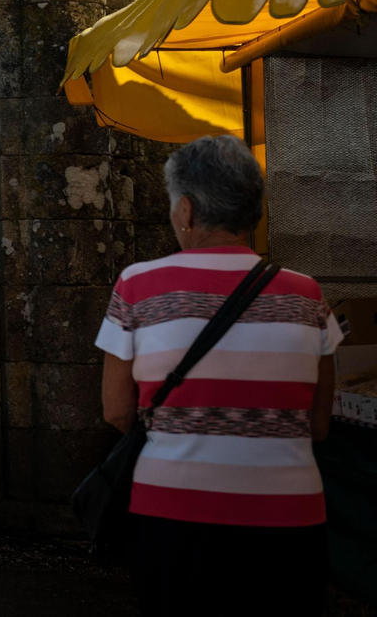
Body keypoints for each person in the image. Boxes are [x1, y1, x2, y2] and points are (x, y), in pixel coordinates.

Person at [97, 136, 339, 616]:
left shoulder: (137, 285)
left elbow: (118, 410)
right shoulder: (308, 295)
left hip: (173, 515)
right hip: (289, 518)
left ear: (185, 211)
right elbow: (318, 425)